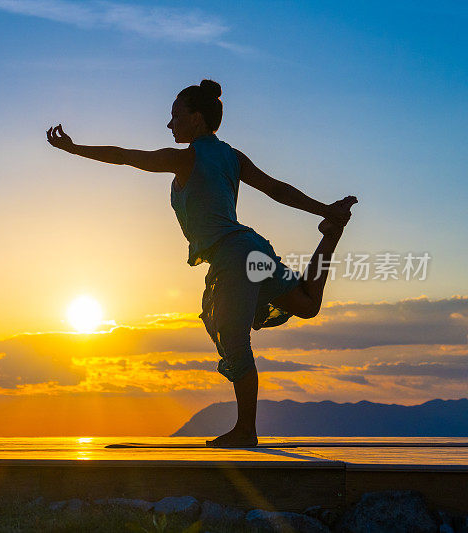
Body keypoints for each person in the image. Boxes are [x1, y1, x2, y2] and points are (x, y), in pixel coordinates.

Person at [46, 78, 357, 448]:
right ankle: (331, 234)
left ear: (196, 118)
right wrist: (325, 211)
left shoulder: (186, 158)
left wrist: (74, 148)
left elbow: (126, 155)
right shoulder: (231, 155)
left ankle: (246, 431)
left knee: (234, 339)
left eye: (175, 116)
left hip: (232, 256)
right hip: (251, 251)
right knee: (305, 306)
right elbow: (276, 189)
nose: (169, 124)